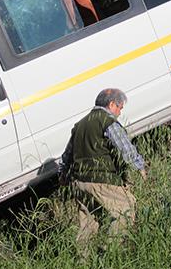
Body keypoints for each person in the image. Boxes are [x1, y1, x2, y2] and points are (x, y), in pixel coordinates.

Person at [59, 88, 147, 251]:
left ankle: (83, 263)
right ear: (112, 104)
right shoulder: (107, 121)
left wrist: (63, 174)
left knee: (88, 223)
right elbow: (124, 146)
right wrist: (139, 166)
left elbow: (67, 154)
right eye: (120, 107)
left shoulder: (80, 124)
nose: (120, 112)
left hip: (79, 182)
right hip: (101, 179)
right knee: (125, 209)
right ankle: (109, 253)